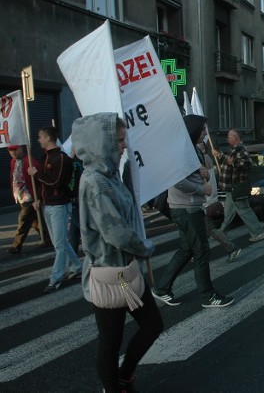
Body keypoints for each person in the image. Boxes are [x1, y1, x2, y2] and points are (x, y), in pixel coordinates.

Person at [72, 112, 162, 393]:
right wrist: (143, 246)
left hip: (127, 269)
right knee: (110, 341)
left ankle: (124, 376)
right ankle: (114, 387)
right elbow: (115, 232)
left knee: (152, 325)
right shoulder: (94, 182)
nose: (124, 145)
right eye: (120, 139)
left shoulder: (109, 176)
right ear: (103, 142)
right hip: (109, 270)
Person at [152, 115, 234, 308]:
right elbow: (176, 180)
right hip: (186, 208)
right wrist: (201, 189)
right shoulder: (181, 151)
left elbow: (196, 171)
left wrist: (203, 173)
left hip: (189, 207)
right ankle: (208, 296)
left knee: (187, 250)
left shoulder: (191, 150)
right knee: (201, 251)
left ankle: (161, 288)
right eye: (203, 129)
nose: (205, 133)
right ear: (193, 130)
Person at [28, 126, 83, 293]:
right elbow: (44, 183)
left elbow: (56, 182)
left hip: (59, 205)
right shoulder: (46, 158)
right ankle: (76, 266)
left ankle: (55, 279)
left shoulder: (61, 158)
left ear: (48, 138)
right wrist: (38, 199)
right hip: (48, 205)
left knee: (59, 245)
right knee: (60, 243)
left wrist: (37, 174)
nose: (38, 140)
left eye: (40, 137)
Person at [212, 128, 264, 242]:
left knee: (244, 210)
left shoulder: (240, 149)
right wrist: (219, 155)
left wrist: (232, 162)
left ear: (236, 138)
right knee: (228, 211)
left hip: (235, 186)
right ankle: (222, 233)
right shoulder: (233, 149)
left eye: (230, 136)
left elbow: (246, 163)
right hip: (230, 187)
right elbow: (228, 162)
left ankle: (258, 232)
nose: (228, 138)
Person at [198, 141, 243, 262]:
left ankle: (232, 248)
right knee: (196, 230)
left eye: (200, 146)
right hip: (208, 199)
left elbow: (205, 183)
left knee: (209, 229)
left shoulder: (201, 159)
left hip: (206, 201)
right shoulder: (206, 158)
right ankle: (194, 252)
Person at [7, 144, 50, 254]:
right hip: (21, 197)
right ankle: (47, 238)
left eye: (15, 150)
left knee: (24, 220)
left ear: (21, 149)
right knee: (35, 220)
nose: (12, 153)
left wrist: (39, 197)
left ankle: (16, 245)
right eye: (10, 150)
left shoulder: (30, 161)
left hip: (30, 197)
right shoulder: (13, 162)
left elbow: (40, 181)